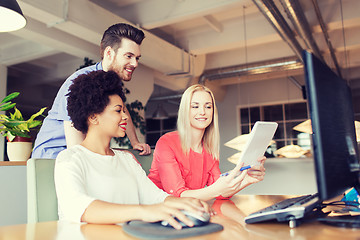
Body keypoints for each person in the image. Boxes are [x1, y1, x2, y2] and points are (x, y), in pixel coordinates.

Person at [54, 70, 210, 229]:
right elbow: (79, 207)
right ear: (93, 117)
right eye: (118, 110)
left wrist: (185, 203)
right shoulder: (69, 159)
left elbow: (155, 197)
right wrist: (143, 212)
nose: (125, 117)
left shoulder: (126, 159)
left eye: (123, 110)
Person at [32, 23, 151, 159]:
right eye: (129, 56)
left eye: (137, 58)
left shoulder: (110, 83)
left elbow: (123, 110)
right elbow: (75, 148)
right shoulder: (80, 83)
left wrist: (135, 142)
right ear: (109, 53)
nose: (135, 63)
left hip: (76, 155)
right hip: (52, 156)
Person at [148, 84, 266, 201]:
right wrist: (216, 189)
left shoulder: (210, 149)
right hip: (156, 210)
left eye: (208, 107)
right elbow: (177, 196)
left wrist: (246, 179)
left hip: (188, 211)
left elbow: (220, 193)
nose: (202, 112)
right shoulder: (166, 142)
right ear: (185, 111)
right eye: (195, 106)